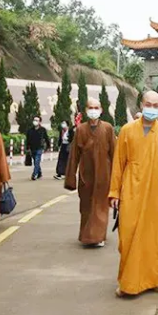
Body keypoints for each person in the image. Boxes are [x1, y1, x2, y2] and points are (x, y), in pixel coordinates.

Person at [109, 90, 158, 296]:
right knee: (129, 235)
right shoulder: (126, 131)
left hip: (157, 194)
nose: (151, 108)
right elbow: (118, 164)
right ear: (141, 105)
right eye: (148, 104)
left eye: (156, 105)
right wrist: (115, 192)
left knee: (156, 237)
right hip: (130, 191)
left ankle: (157, 278)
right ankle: (128, 282)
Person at [64, 99, 115, 247]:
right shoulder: (80, 130)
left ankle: (98, 236)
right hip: (86, 176)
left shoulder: (107, 128)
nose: (93, 110)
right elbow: (74, 156)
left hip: (104, 176)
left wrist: (118, 178)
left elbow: (115, 154)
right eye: (90, 108)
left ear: (101, 110)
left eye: (96, 107)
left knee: (100, 207)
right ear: (86, 110)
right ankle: (87, 235)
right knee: (86, 207)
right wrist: (71, 178)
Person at [26, 115, 50, 181]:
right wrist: (27, 148)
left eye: (37, 120)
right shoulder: (30, 130)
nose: (35, 121)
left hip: (39, 148)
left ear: (39, 122)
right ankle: (39, 173)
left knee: (37, 161)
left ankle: (34, 175)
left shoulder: (42, 130)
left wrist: (48, 146)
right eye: (34, 120)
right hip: (32, 148)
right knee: (35, 161)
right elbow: (28, 140)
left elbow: (46, 138)